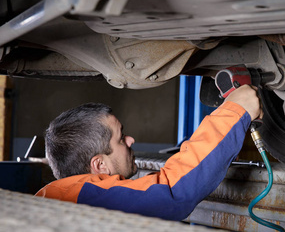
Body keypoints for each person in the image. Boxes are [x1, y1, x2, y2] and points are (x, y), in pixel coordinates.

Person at [35, 85, 262, 221]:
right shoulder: (83, 195)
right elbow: (172, 190)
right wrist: (236, 110)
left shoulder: (59, 195)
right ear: (100, 166)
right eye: (121, 138)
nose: (130, 140)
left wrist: (220, 151)